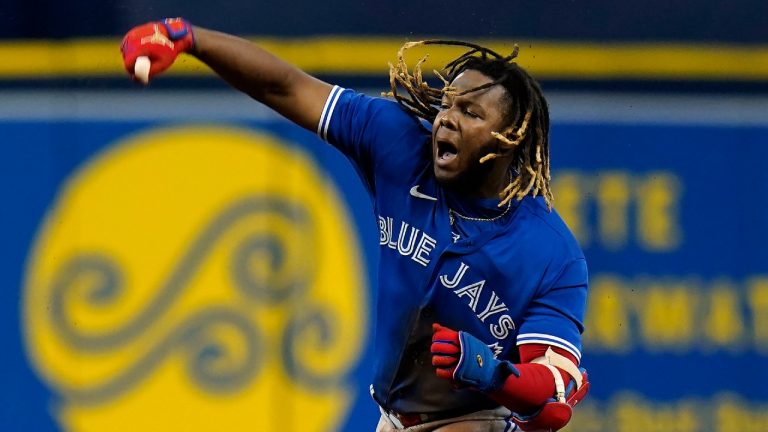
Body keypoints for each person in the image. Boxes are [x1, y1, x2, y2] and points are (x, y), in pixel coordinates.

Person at [120, 18, 590, 432]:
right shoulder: (399, 144)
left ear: (511, 138)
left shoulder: (550, 252)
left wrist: (491, 373)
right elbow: (286, 87)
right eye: (448, 105)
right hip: (391, 415)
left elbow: (552, 401)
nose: (447, 119)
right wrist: (190, 37)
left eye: (471, 113)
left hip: (473, 418)